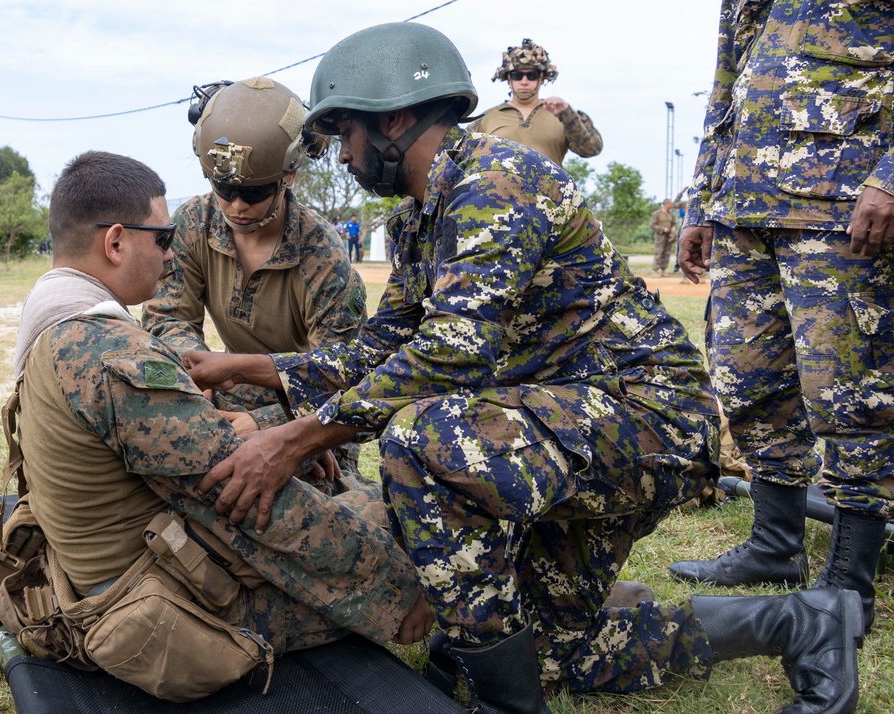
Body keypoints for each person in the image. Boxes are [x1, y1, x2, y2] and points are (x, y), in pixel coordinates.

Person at [181, 22, 865, 714]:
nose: (344, 157)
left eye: (347, 136)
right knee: (563, 656)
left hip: (646, 418)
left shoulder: (496, 181)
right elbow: (379, 347)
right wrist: (246, 366)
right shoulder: (422, 216)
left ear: (391, 119)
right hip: (570, 423)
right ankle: (804, 623)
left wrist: (292, 440)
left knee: (421, 439)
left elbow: (450, 354)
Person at [11, 150, 430, 696]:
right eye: (162, 240)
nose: (169, 256)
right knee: (404, 536)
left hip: (132, 567)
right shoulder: (110, 354)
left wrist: (268, 435)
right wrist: (398, 593)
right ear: (115, 242)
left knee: (353, 505)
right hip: (155, 607)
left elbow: (181, 446)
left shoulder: (58, 314)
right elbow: (249, 497)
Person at [672, 0, 894, 639]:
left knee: (851, 395)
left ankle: (848, 587)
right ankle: (776, 548)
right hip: (745, 205)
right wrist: (702, 200)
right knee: (749, 385)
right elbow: (726, 83)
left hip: (842, 204)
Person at [141, 77, 368, 484]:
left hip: (310, 410)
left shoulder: (323, 255)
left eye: (256, 191)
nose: (237, 206)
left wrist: (266, 424)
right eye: (224, 189)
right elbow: (167, 320)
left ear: (290, 177)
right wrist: (197, 381)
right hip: (221, 393)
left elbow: (346, 378)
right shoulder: (193, 224)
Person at [467, 38, 602, 168]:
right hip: (497, 191)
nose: (524, 81)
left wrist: (568, 116)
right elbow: (460, 156)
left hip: (548, 191)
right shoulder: (487, 118)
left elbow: (591, 149)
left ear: (542, 79)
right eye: (517, 76)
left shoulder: (563, 115)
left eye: (532, 76)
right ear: (508, 79)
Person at [649, 199, 678, 277]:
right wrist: (662, 229)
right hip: (660, 237)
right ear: (666, 204)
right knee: (658, 253)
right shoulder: (657, 214)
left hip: (669, 237)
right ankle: (655, 271)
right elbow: (652, 224)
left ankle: (663, 270)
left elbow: (674, 223)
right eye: (670, 204)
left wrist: (674, 228)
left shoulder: (671, 214)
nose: (671, 205)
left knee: (667, 254)